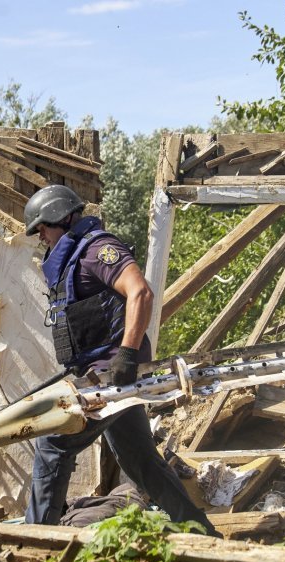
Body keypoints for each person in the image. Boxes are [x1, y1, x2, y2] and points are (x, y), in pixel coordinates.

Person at [22, 184, 218, 536]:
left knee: (53, 442)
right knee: (141, 461)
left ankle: (35, 541)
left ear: (62, 218)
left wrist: (126, 357)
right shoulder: (71, 258)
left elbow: (140, 292)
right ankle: (203, 534)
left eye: (43, 228)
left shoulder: (98, 249)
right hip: (99, 373)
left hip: (113, 374)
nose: (42, 236)